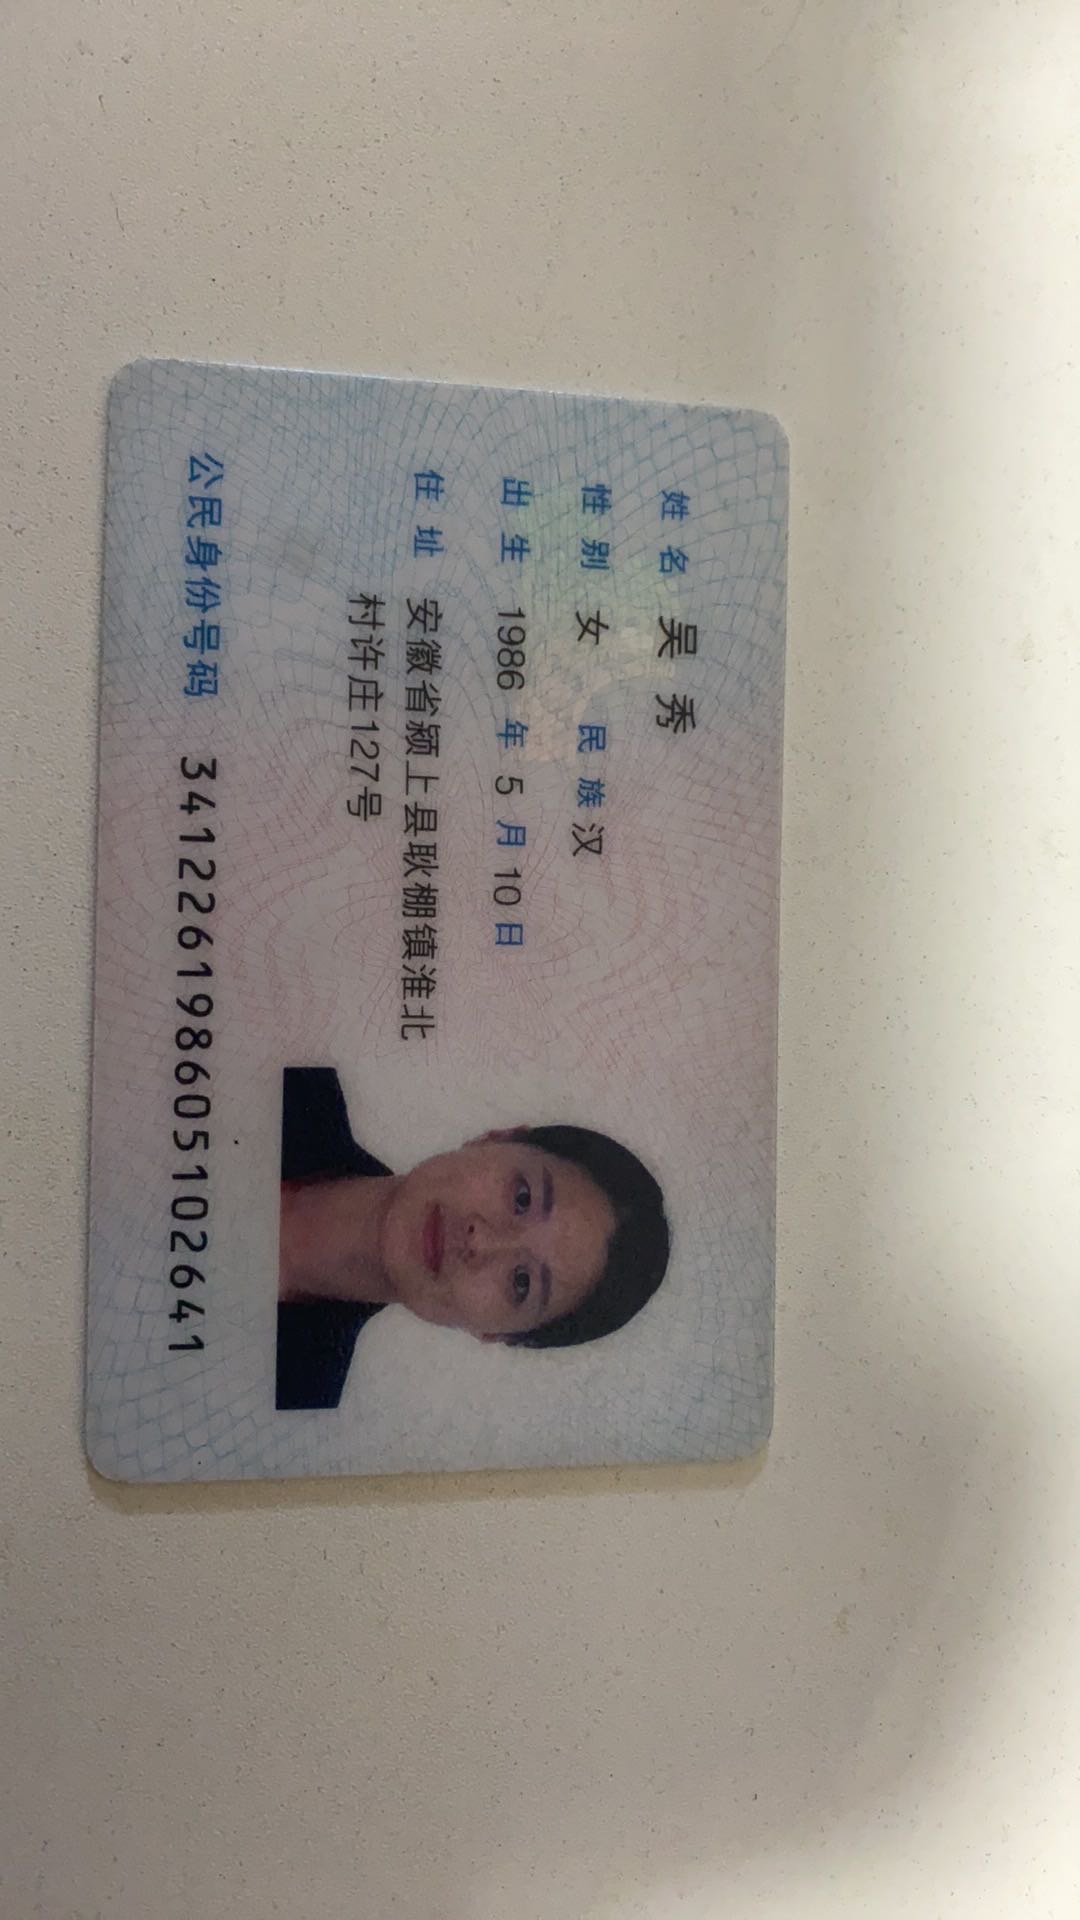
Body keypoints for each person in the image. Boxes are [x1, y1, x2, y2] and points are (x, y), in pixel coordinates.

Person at [277, 1067, 671, 1411]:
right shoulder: (290, 1080)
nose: (481, 1241)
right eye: (522, 1198)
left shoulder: (294, 1396)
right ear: (494, 1139)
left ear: (494, 1332)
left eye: (521, 1282)